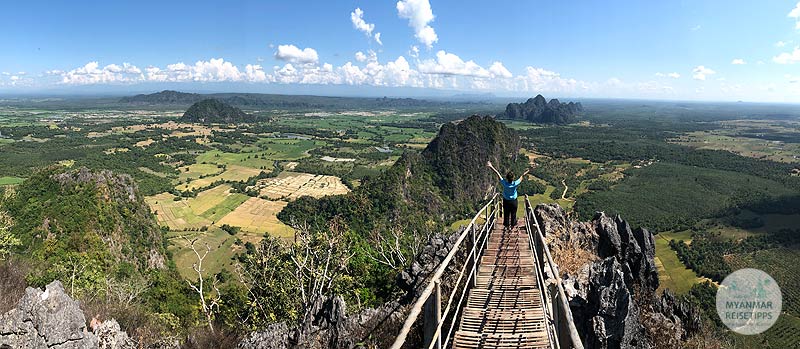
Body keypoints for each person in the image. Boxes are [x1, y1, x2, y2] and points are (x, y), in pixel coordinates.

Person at [487, 161, 531, 230]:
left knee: (506, 214)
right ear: (513, 178)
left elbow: (497, 173)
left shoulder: (504, 183)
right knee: (513, 214)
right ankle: (512, 226)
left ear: (507, 178)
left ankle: (507, 226)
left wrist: (491, 166)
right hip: (513, 201)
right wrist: (529, 170)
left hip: (506, 201)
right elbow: (522, 176)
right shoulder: (515, 183)